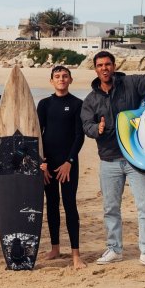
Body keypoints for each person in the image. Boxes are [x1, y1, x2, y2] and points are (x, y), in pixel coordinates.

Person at [82, 50, 145, 271]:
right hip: (109, 159)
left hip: (137, 159)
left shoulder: (131, 84)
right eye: (100, 65)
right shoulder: (91, 99)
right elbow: (86, 125)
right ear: (95, 69)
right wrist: (98, 128)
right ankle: (114, 249)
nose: (104, 68)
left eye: (108, 64)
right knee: (110, 208)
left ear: (114, 66)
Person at [37, 65, 86, 269]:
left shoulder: (77, 104)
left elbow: (79, 136)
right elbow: (38, 134)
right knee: (52, 205)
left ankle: (76, 254)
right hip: (48, 164)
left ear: (70, 80)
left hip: (68, 164)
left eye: (65, 76)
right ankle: (55, 247)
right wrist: (42, 162)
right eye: (57, 76)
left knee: (69, 205)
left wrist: (69, 162)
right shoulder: (44, 104)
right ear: (51, 81)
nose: (61, 79)